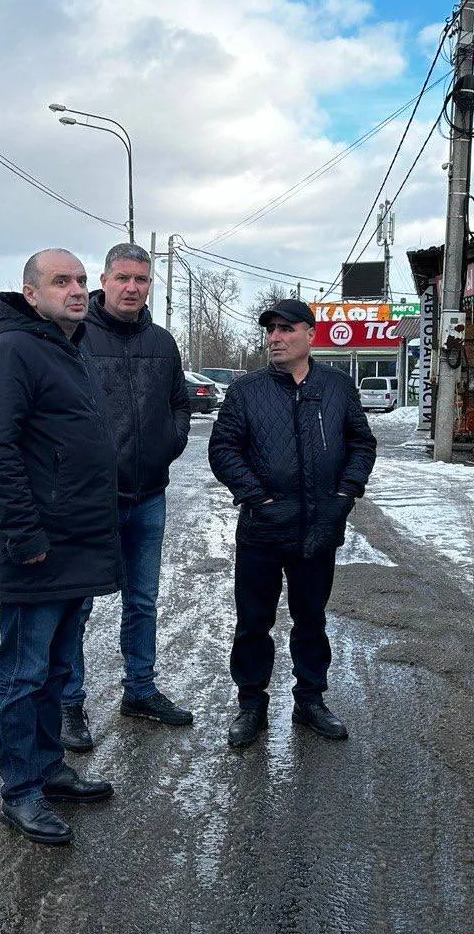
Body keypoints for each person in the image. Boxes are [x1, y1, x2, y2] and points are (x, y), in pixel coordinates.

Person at [0, 248, 121, 845]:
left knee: (58, 670)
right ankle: (21, 791)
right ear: (30, 293)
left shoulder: (69, 346)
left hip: (79, 542)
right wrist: (25, 532)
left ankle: (49, 769)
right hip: (38, 545)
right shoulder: (12, 349)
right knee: (24, 673)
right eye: (62, 281)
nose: (78, 289)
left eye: (83, 280)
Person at [207, 299, 377, 750]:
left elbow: (361, 444)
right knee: (253, 622)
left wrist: (344, 495)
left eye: (285, 329)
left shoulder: (337, 387)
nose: (275, 338)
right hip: (262, 528)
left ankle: (310, 700)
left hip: (318, 529)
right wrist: (257, 497)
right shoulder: (248, 391)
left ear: (309, 335)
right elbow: (224, 450)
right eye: (270, 331)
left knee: (311, 619)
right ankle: (251, 704)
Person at [58, 242, 194, 753]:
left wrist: (168, 443)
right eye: (123, 278)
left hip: (149, 493)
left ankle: (140, 689)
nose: (132, 287)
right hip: (94, 498)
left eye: (141, 279)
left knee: (142, 601)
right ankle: (70, 702)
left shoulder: (163, 342)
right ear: (104, 279)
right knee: (80, 604)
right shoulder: (76, 335)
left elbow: (179, 404)